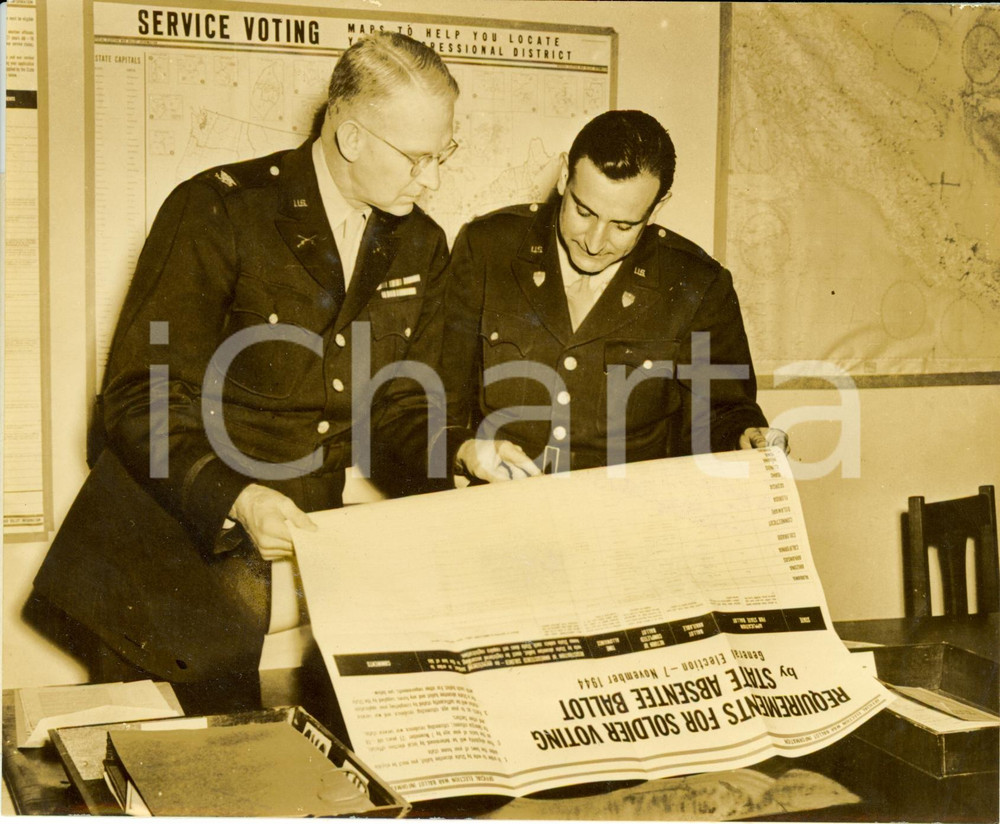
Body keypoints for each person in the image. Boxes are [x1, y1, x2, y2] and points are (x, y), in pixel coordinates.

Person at [27, 32, 459, 699]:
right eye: (417, 158)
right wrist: (238, 498)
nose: (432, 180)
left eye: (444, 154)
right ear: (350, 137)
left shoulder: (420, 242)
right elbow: (139, 396)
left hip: (294, 562)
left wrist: (460, 455)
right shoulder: (219, 209)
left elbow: (399, 404)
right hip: (165, 560)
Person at [429, 109, 784, 484]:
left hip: (631, 507)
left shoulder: (697, 284)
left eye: (623, 226)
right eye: (583, 212)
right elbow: (440, 397)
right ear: (564, 176)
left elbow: (722, 410)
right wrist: (460, 453)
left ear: (657, 208)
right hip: (503, 500)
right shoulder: (489, 248)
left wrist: (744, 436)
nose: (595, 242)